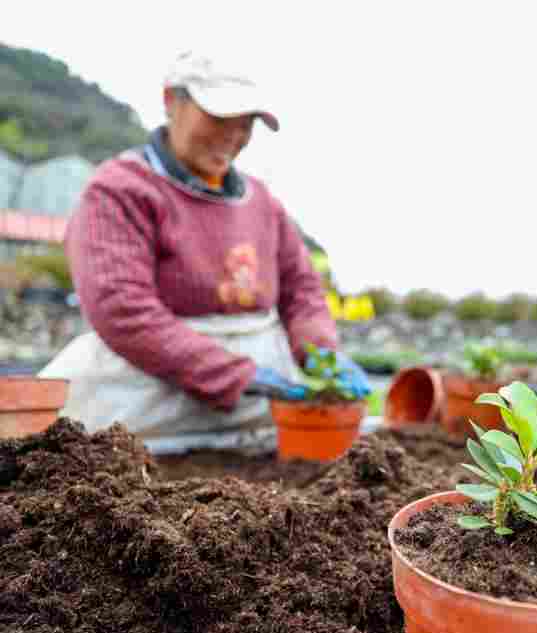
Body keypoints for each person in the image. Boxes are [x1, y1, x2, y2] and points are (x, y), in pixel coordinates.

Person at [40, 51, 370, 440]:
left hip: (256, 410)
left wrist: (318, 351)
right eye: (218, 118)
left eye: (246, 123)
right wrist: (235, 374)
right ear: (170, 102)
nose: (233, 136)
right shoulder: (119, 190)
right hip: (147, 401)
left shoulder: (262, 202)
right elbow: (121, 309)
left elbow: (302, 287)